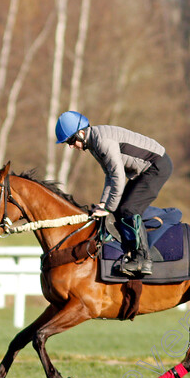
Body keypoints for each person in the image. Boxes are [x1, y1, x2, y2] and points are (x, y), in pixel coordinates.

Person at [54, 111, 172, 276]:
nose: (71, 146)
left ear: (81, 133)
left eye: (71, 141)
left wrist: (108, 207)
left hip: (157, 166)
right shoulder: (93, 142)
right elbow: (110, 176)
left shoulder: (102, 141)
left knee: (128, 209)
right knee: (120, 208)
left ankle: (142, 259)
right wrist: (103, 204)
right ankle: (132, 251)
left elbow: (118, 176)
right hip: (148, 168)